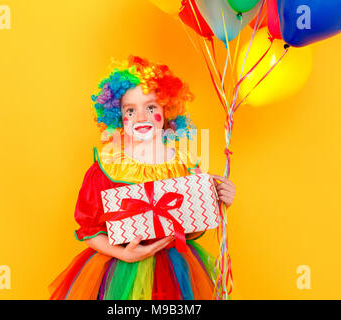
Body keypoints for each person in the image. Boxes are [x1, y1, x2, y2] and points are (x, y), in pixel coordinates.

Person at [49, 55, 235, 300]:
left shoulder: (184, 164)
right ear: (118, 117)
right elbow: (89, 228)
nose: (141, 117)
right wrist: (124, 254)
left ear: (167, 110)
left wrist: (220, 199)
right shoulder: (108, 166)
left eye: (151, 107)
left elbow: (192, 223)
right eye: (130, 110)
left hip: (176, 269)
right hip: (121, 269)